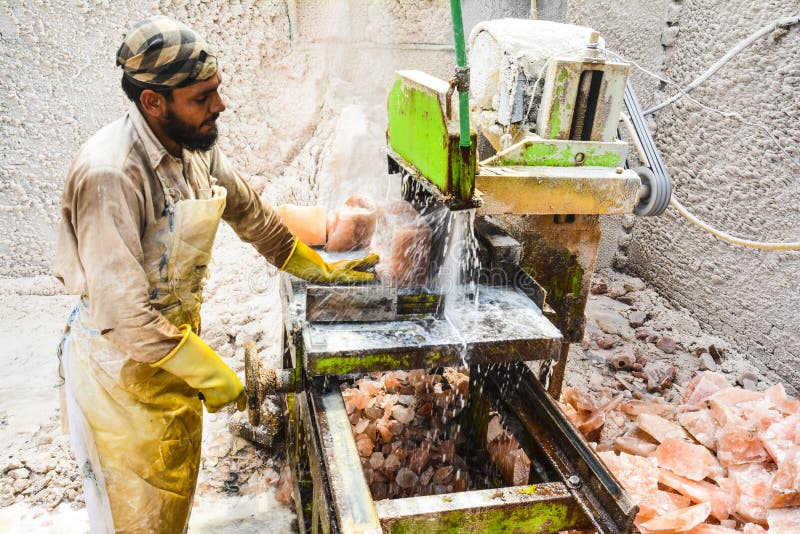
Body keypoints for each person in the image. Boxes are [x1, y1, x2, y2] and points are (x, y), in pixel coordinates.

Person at [52, 16, 376, 533]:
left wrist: (317, 270)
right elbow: (123, 313)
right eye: (202, 97)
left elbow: (252, 214)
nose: (219, 106)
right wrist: (212, 372)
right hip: (122, 381)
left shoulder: (194, 151)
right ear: (153, 102)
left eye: (217, 91)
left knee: (173, 501)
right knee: (134, 516)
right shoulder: (111, 175)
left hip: (172, 360)